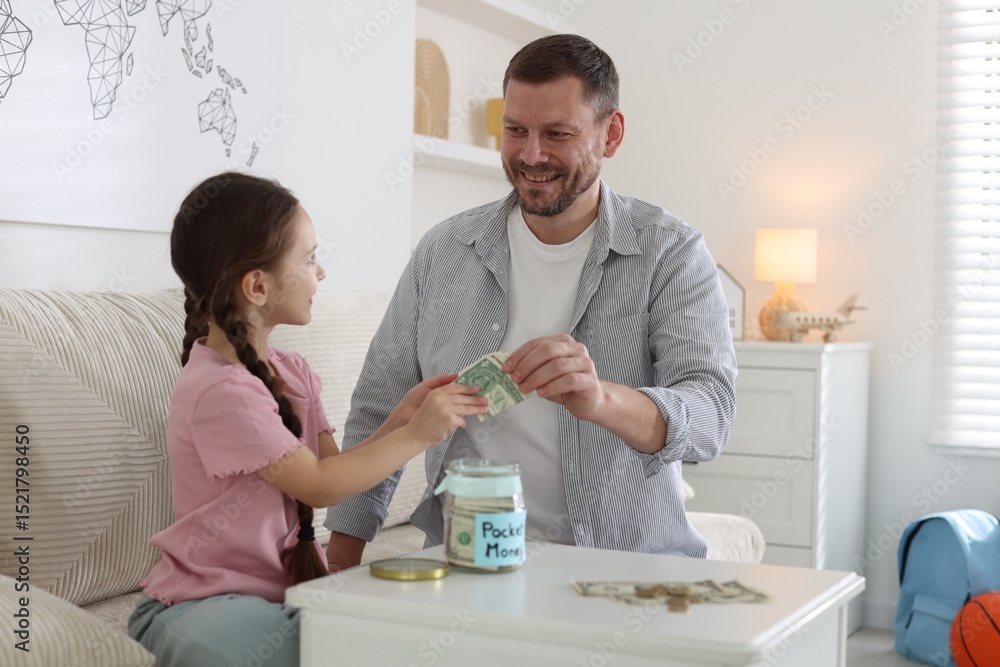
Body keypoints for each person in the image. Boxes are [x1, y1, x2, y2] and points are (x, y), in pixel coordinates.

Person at [324, 34, 738, 571]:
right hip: (465, 557)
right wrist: (336, 570)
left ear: (610, 134)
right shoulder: (443, 252)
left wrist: (600, 400)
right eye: (516, 130)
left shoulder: (671, 251)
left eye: (557, 134)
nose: (531, 155)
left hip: (624, 565)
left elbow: (711, 416)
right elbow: (380, 409)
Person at [127, 172, 488, 667]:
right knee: (319, 649)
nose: (321, 273)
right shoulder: (220, 390)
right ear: (257, 286)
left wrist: (402, 423)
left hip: (280, 600)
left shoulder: (291, 373)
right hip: (198, 607)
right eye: (310, 258)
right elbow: (317, 486)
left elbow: (337, 469)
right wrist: (420, 436)